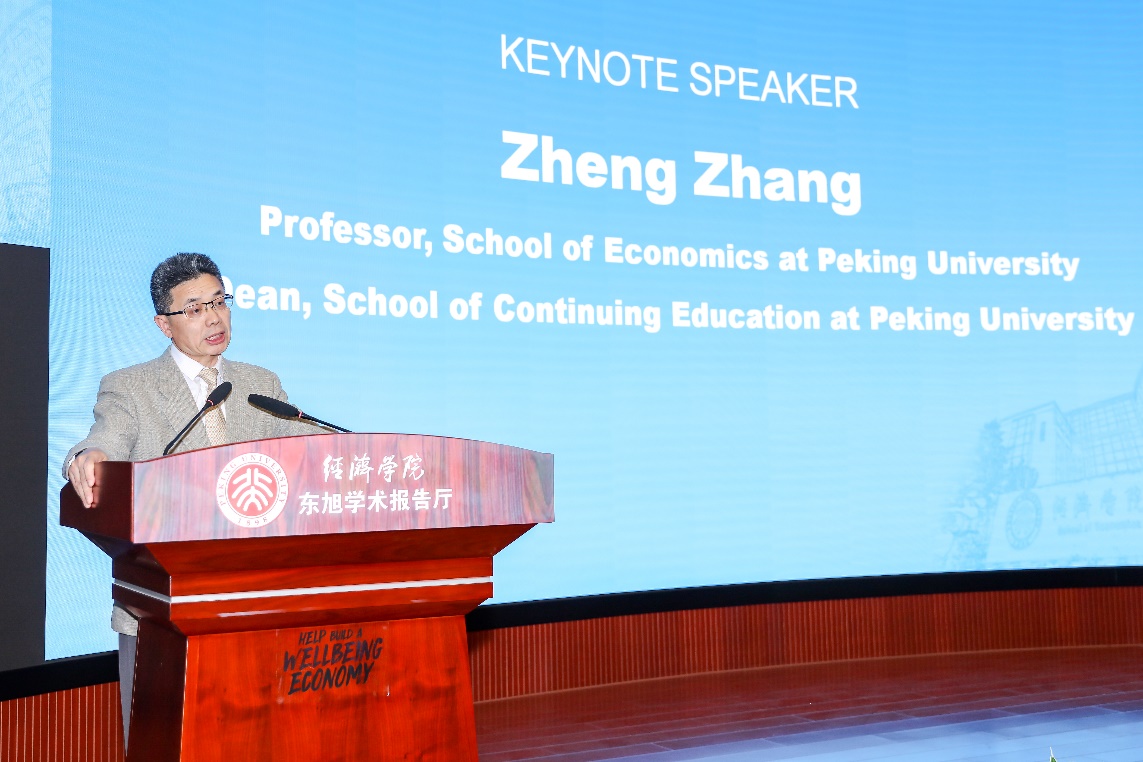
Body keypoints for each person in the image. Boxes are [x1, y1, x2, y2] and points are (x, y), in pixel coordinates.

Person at [64, 252, 317, 746]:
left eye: (219, 301)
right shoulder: (130, 387)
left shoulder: (260, 384)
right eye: (195, 308)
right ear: (164, 324)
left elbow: (303, 448)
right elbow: (105, 439)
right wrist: (87, 455)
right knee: (165, 744)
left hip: (254, 603)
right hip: (162, 611)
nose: (214, 317)